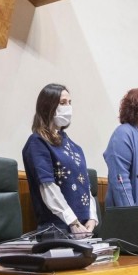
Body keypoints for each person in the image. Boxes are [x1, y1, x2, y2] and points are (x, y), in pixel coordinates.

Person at [22, 84, 97, 237]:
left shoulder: (75, 147)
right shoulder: (38, 142)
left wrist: (92, 218)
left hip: (83, 229)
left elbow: (86, 186)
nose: (68, 107)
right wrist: (72, 221)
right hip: (57, 229)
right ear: (47, 106)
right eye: (62, 103)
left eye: (70, 103)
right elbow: (47, 187)